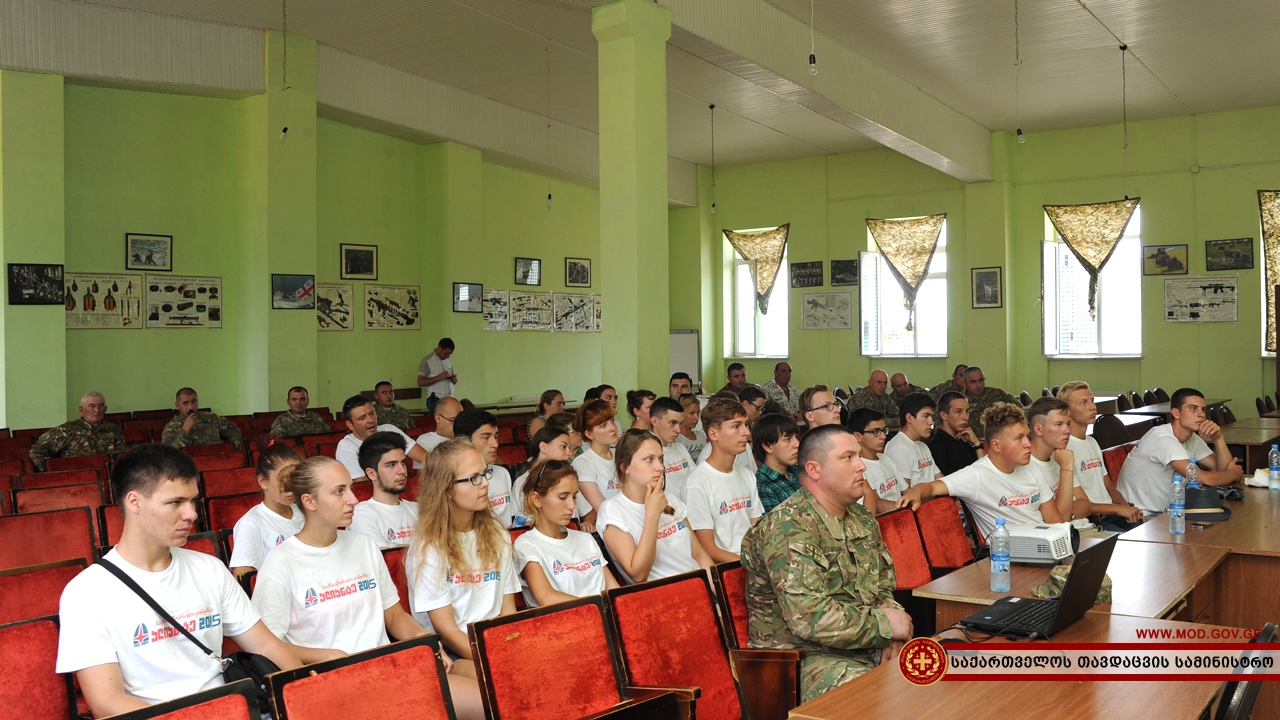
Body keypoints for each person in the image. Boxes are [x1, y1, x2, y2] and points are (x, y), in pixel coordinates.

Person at [56, 444, 302, 716]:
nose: (192, 514)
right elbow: (106, 701)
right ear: (134, 502)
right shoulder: (86, 593)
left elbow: (268, 645)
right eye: (175, 503)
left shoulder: (209, 568)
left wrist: (303, 694)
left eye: (193, 501)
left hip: (230, 710)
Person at [252, 454, 486, 720]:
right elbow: (268, 646)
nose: (352, 499)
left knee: (494, 695)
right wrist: (330, 655)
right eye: (339, 492)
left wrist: (426, 642)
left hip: (389, 668)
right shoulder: (280, 562)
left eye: (350, 489)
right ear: (309, 501)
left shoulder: (363, 544)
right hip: (336, 683)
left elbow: (394, 615)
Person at [740, 424, 912, 703]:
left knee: (943, 671)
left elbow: (881, 587)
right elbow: (809, 618)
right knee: (878, 699)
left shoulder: (861, 517)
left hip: (862, 643)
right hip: (802, 659)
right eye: (848, 458)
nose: (861, 466)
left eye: (859, 456)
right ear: (814, 470)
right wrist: (885, 626)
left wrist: (892, 625)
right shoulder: (788, 527)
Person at [406, 438, 519, 661]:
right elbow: (447, 632)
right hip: (455, 653)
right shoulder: (429, 548)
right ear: (446, 490)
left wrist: (512, 651)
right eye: (474, 478)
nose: (485, 483)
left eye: (485, 474)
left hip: (498, 644)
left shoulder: (497, 534)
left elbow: (508, 613)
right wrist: (495, 663)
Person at [898, 403, 1075, 538]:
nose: (1028, 444)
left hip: (1046, 546)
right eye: (1019, 438)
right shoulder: (976, 475)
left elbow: (1056, 522)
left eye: (1027, 436)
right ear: (996, 445)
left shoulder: (1032, 467)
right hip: (1009, 559)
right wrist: (916, 492)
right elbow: (931, 487)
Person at [598, 429, 713, 582]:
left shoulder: (669, 498)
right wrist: (652, 514)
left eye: (660, 459)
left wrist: (719, 596)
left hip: (698, 589)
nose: (660, 467)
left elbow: (699, 555)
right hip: (661, 598)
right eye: (649, 459)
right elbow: (638, 575)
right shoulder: (612, 510)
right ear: (625, 467)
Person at [1117, 387, 1243, 517]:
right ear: (1176, 413)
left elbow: (1222, 470)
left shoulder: (1192, 438)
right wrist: (1233, 474)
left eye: (1203, 409)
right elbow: (1205, 478)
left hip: (1170, 512)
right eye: (1193, 408)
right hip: (1140, 516)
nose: (1201, 414)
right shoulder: (1162, 438)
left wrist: (1218, 438)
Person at [514, 460, 619, 607]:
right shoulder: (527, 544)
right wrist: (599, 607)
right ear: (537, 499)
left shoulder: (585, 539)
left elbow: (614, 590)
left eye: (574, 496)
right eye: (563, 497)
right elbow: (547, 598)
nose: (571, 506)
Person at [1057, 382, 1145, 531]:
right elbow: (1080, 505)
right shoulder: (1065, 449)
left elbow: (1109, 488)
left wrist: (1129, 510)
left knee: (1150, 530)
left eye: (1092, 401)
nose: (1092, 407)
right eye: (1084, 403)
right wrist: (1118, 509)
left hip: (1111, 514)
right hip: (1092, 520)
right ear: (1068, 412)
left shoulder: (1092, 442)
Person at [685, 398, 763, 561]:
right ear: (713, 434)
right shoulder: (697, 483)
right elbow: (708, 549)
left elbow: (756, 529)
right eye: (736, 426)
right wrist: (753, 564)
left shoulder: (747, 475)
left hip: (754, 562)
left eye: (745, 424)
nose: (746, 433)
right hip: (727, 569)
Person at [228, 439, 304, 577]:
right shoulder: (251, 523)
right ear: (263, 482)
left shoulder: (306, 511)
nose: (292, 488)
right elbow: (243, 577)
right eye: (284, 480)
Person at [1025, 397, 1092, 521]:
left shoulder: (1059, 457)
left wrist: (1068, 514)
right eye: (1058, 424)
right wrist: (1066, 467)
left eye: (1068, 424)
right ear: (1038, 429)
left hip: (1085, 529)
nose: (1067, 430)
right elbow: (1059, 520)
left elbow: (1086, 504)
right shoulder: (1026, 465)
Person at [349, 431, 419, 548]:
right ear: (371, 473)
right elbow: (387, 560)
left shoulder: (417, 509)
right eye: (391, 465)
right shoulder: (361, 514)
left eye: (404, 463)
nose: (402, 470)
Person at [29, 391, 127, 471]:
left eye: (101, 406)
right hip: (77, 478)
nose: (97, 410)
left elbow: (122, 456)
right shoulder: (67, 430)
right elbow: (36, 450)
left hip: (108, 477)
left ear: (105, 409)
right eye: (91, 406)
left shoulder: (112, 430)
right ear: (81, 409)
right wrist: (54, 472)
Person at [336, 395, 426, 480]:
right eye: (362, 418)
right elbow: (362, 487)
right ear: (350, 425)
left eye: (372, 413)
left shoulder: (389, 429)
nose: (370, 420)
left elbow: (425, 458)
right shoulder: (346, 446)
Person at [453, 409, 517, 529]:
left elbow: (509, 524)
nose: (495, 444)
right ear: (464, 440)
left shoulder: (503, 473)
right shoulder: (454, 480)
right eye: (486, 437)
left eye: (496, 436)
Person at [510, 426, 576, 528]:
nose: (569, 453)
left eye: (569, 448)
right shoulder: (523, 482)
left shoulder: (569, 478)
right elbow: (521, 522)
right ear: (543, 447)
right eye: (563, 446)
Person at [571, 399, 620, 531]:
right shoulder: (583, 463)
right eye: (603, 425)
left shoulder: (620, 455)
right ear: (589, 434)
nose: (612, 428)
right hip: (612, 527)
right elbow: (603, 508)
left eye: (612, 421)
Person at [847, 409, 907, 513]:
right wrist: (908, 507)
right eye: (876, 432)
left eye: (884, 430)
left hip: (901, 515)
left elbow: (906, 490)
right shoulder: (858, 467)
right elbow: (877, 504)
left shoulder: (885, 459)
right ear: (857, 436)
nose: (883, 436)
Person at [883, 393, 942, 488]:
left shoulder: (922, 446)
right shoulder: (900, 449)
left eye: (932, 417)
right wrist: (934, 492)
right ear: (909, 418)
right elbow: (906, 496)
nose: (931, 422)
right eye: (926, 416)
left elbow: (940, 479)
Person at [161, 387, 243, 450]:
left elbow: (235, 432)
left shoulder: (211, 418)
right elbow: (170, 454)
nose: (191, 407)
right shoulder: (171, 427)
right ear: (177, 405)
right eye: (185, 403)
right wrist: (185, 430)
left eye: (194, 401)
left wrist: (231, 452)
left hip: (218, 461)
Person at [648, 397, 695, 503]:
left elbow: (696, 478)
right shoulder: (645, 453)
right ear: (655, 421)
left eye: (680, 423)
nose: (678, 430)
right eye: (672, 423)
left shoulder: (680, 448)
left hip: (690, 509)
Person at [928, 391, 985, 476]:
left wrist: (976, 444)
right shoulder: (937, 446)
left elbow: (986, 472)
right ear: (944, 415)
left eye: (967, 411)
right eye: (958, 412)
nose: (965, 417)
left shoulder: (965, 441)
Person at [753, 413, 801, 513]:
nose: (797, 444)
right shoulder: (762, 487)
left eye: (796, 437)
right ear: (768, 446)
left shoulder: (800, 472)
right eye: (788, 439)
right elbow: (778, 527)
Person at [961, 366, 1018, 437]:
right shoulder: (959, 401)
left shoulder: (997, 394)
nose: (978, 385)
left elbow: (1019, 411)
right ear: (964, 384)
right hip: (969, 442)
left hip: (998, 439)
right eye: (973, 382)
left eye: (981, 380)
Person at [418, 338, 457, 413]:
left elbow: (450, 378)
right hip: (435, 398)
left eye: (450, 354)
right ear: (439, 348)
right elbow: (420, 382)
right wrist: (439, 377)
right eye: (446, 353)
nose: (448, 356)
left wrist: (453, 380)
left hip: (449, 398)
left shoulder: (448, 361)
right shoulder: (428, 361)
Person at [675, 393, 707, 459]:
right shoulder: (677, 438)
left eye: (698, 413)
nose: (697, 418)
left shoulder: (701, 435)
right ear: (681, 414)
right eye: (691, 413)